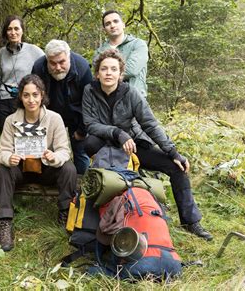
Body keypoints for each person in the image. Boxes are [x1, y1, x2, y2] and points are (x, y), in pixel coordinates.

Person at [82, 49, 213, 241]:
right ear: (97, 73)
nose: (108, 73)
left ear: (120, 74)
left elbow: (149, 123)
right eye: (104, 69)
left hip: (134, 146)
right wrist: (118, 133)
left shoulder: (130, 93)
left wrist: (173, 152)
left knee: (176, 168)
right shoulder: (90, 91)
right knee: (89, 142)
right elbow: (90, 123)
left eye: (113, 69)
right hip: (105, 147)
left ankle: (190, 221)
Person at [0, 74, 77, 251]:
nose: (31, 100)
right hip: (21, 170)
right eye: (26, 95)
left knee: (69, 168)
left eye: (35, 95)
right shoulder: (11, 120)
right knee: (2, 169)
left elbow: (64, 150)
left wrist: (54, 157)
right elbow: (3, 150)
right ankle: (5, 222)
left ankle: (65, 215)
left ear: (42, 96)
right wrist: (9, 158)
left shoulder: (54, 119)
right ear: (20, 97)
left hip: (46, 169)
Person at [31, 40, 92, 174]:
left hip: (77, 115)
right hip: (49, 116)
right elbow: (34, 99)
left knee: (81, 152)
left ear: (68, 57)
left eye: (62, 62)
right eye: (53, 63)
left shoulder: (82, 68)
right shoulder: (38, 67)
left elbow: (89, 103)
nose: (58, 67)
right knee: (47, 154)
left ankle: (83, 190)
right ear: (47, 60)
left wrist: (82, 130)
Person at [0, 15, 45, 131]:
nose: (13, 32)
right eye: (9, 29)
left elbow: (46, 69)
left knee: (25, 135)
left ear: (22, 31)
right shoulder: (1, 53)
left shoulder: (34, 50)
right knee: (7, 134)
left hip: (25, 99)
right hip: (4, 100)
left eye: (16, 28)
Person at [93, 10, 148, 97]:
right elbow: (98, 76)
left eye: (115, 21)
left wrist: (107, 74)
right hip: (107, 100)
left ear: (123, 24)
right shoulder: (99, 51)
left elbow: (131, 70)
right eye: (108, 24)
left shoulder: (138, 44)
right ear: (104, 30)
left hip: (134, 100)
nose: (112, 25)